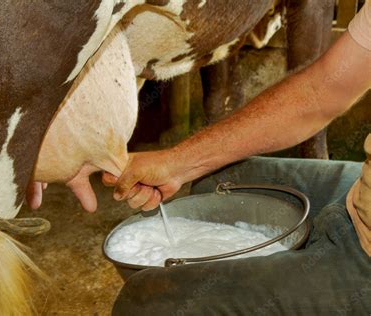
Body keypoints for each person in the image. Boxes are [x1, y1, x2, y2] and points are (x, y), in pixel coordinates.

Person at [102, 2, 371, 315]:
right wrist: (177, 163)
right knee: (215, 185)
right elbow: (321, 91)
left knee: (146, 302)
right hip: (359, 189)